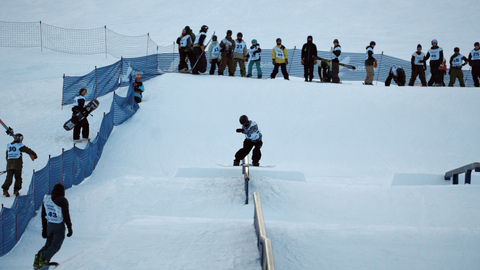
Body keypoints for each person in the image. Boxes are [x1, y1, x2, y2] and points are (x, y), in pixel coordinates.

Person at [33, 183, 73, 269]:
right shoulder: (63, 200)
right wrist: (69, 227)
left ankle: (38, 258)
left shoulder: (47, 200)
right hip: (58, 226)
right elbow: (66, 215)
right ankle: (43, 260)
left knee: (48, 244)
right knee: (55, 245)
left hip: (50, 225)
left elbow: (43, 215)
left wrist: (44, 229)